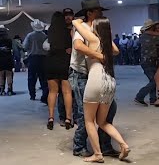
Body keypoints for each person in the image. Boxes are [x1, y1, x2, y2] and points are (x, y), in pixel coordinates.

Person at [72, 17, 130, 163]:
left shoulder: (94, 40)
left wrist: (82, 22)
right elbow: (116, 51)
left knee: (89, 121)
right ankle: (123, 144)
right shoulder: (106, 43)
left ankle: (97, 154)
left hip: (96, 79)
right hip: (110, 81)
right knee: (102, 122)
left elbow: (75, 23)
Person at [45, 11, 73, 130]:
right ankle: (68, 119)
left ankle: (51, 118)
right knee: (67, 92)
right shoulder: (68, 32)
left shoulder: (50, 32)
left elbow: (47, 47)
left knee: (52, 92)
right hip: (64, 62)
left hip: (51, 62)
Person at [23, 19, 48, 103]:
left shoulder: (29, 35)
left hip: (33, 58)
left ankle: (32, 95)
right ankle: (44, 95)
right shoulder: (45, 36)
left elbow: (25, 47)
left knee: (31, 78)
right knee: (43, 78)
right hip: (43, 59)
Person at [0, 25, 15, 96]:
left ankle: (1, 90)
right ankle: (9, 90)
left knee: (1, 75)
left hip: (0, 59)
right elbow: (11, 49)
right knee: (9, 74)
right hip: (8, 58)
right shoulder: (9, 40)